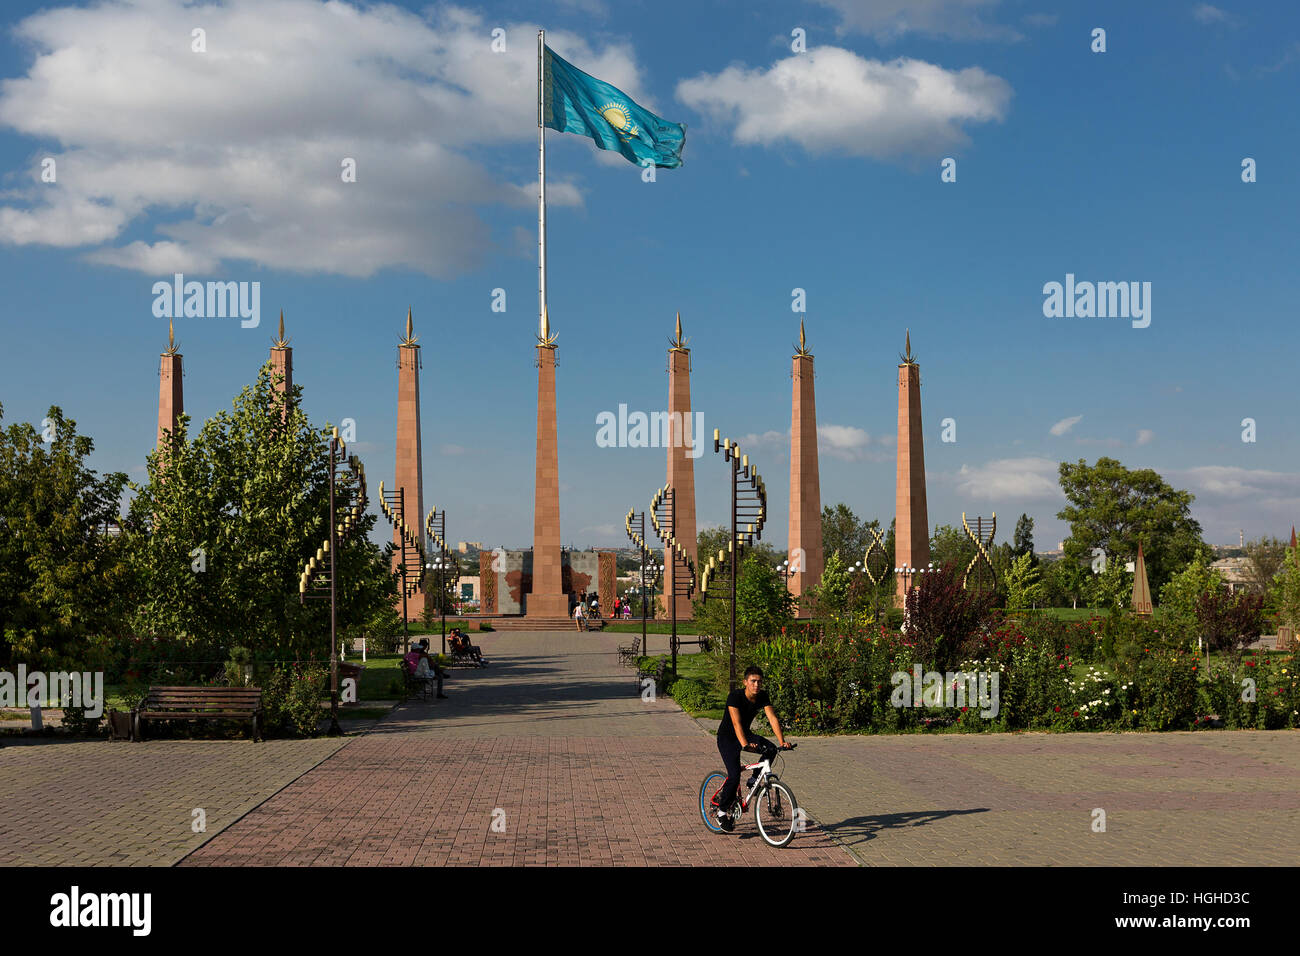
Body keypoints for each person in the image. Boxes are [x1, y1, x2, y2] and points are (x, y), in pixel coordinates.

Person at [713, 665, 791, 832]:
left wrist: (782, 741)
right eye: (753, 681)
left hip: (745, 735)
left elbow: (772, 718)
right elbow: (736, 723)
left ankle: (753, 780)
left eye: (759, 682)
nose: (756, 685)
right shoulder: (735, 696)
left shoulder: (762, 696)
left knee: (771, 749)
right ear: (745, 682)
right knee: (733, 776)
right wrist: (744, 745)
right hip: (727, 737)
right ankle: (721, 812)